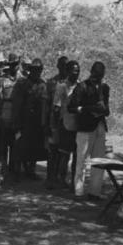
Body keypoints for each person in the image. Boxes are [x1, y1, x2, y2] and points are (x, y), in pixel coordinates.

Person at [67, 61, 109, 200]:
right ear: (92, 72)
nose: (98, 76)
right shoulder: (82, 86)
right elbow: (71, 107)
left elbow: (107, 109)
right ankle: (79, 191)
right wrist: (88, 109)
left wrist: (102, 110)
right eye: (96, 73)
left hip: (100, 126)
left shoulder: (104, 88)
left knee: (99, 161)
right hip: (85, 127)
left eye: (101, 74)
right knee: (81, 160)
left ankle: (94, 192)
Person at [11, 58, 48, 181]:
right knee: (20, 145)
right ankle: (16, 171)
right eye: (34, 70)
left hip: (37, 121)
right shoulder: (22, 84)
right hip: (24, 120)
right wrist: (16, 121)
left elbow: (44, 103)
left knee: (35, 147)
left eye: (39, 70)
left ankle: (30, 170)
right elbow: (16, 103)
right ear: (30, 70)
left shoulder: (43, 84)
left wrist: (44, 122)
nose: (37, 72)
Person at [53, 60, 80, 190]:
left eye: (78, 70)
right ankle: (61, 179)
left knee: (77, 154)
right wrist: (53, 127)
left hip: (78, 125)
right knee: (64, 154)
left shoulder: (81, 86)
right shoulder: (62, 86)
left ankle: (74, 180)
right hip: (65, 123)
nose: (76, 73)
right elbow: (56, 107)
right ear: (68, 71)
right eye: (74, 70)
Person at [0, 53, 21, 176]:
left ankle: (14, 170)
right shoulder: (2, 80)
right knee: (3, 144)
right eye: (11, 64)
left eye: (15, 64)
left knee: (16, 144)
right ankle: (2, 170)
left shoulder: (22, 80)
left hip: (18, 114)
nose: (13, 67)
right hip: (5, 112)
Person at [45, 56, 69, 189]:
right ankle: (50, 178)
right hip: (53, 121)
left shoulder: (72, 83)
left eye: (66, 65)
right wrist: (46, 123)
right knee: (52, 150)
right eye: (61, 65)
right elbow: (46, 104)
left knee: (64, 151)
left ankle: (62, 177)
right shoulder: (51, 82)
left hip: (66, 122)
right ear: (58, 66)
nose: (63, 68)